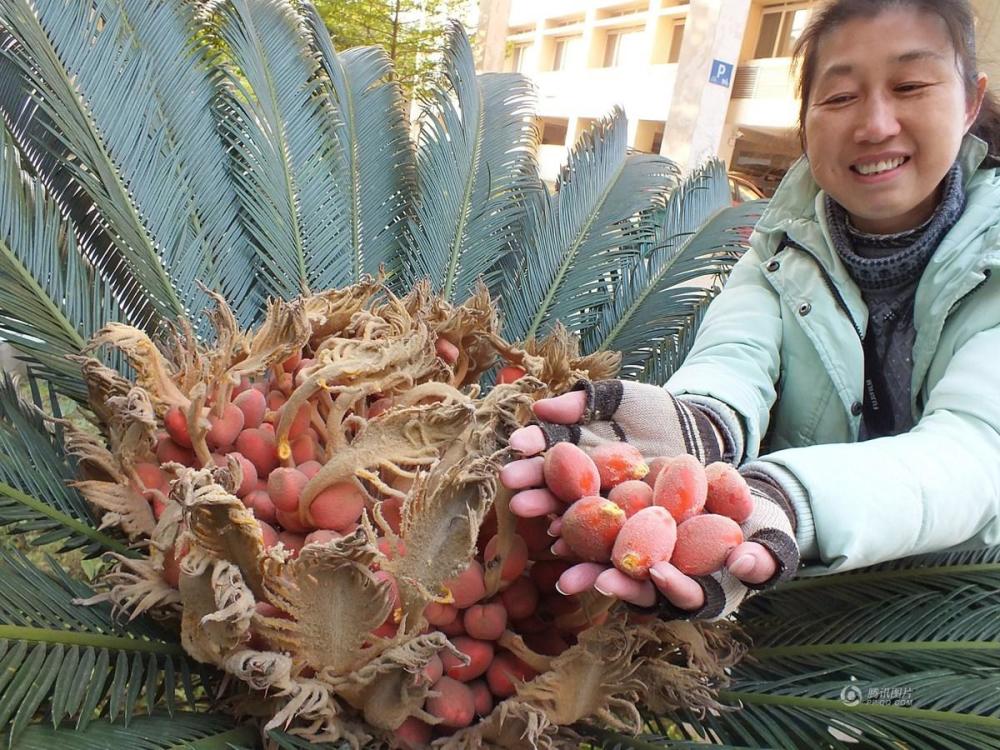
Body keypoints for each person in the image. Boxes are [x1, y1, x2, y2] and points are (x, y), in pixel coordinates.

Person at [501, 0, 1000, 620]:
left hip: (953, 627)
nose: (875, 124)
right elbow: (734, 358)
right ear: (806, 119)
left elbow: (977, 451)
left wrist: (789, 500)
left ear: (971, 101)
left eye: (910, 86)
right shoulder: (778, 249)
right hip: (785, 610)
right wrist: (696, 426)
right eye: (840, 96)